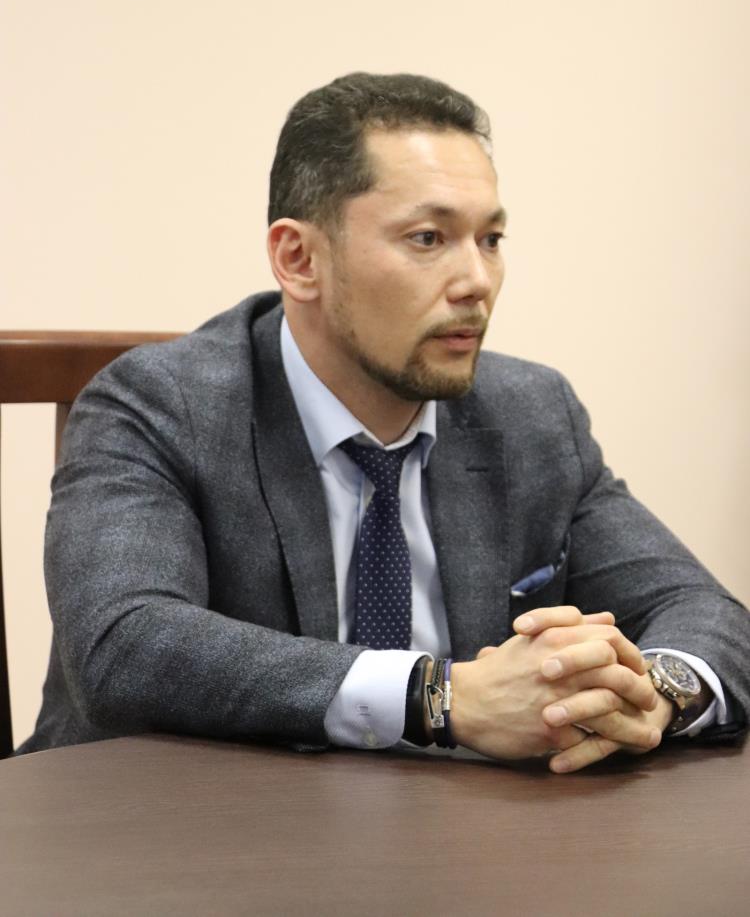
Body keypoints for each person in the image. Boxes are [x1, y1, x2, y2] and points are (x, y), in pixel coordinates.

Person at [19, 72, 749, 770]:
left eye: (490, 240)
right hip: (175, 833)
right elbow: (124, 644)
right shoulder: (159, 404)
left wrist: (649, 694)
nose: (476, 282)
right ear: (299, 258)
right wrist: (439, 697)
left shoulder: (533, 413)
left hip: (453, 837)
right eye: (428, 238)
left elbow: (701, 609)